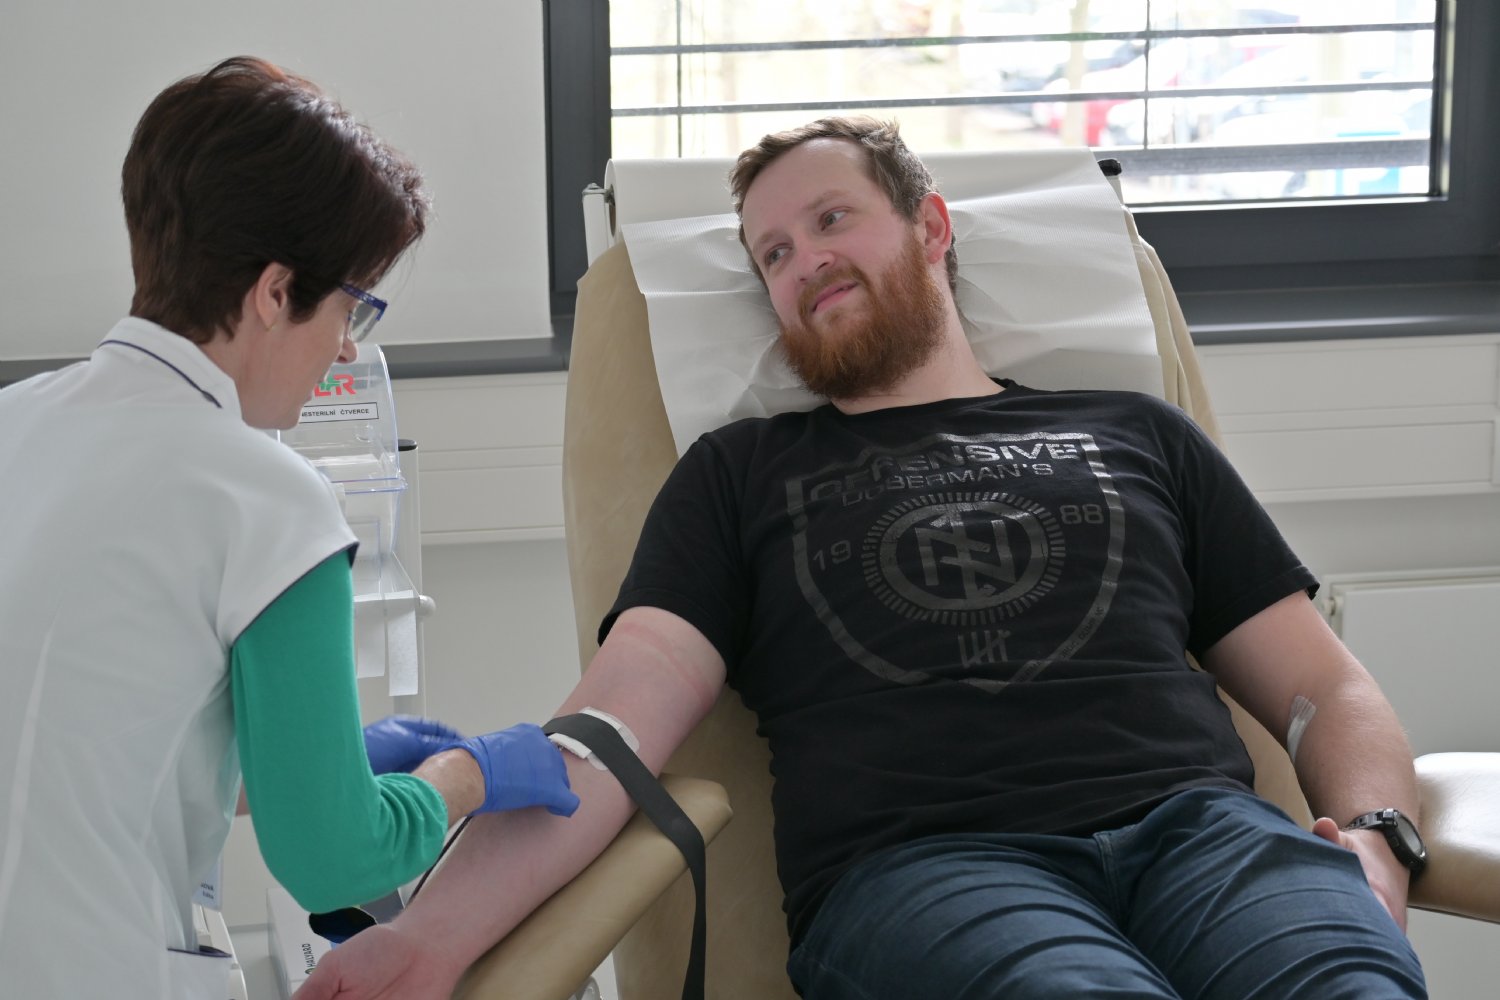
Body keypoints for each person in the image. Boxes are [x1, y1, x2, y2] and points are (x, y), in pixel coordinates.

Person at [297, 117, 1427, 999]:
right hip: (928, 872)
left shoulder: (1136, 433)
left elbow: (1324, 686)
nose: (804, 262)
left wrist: (1381, 838)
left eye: (832, 219)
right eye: (773, 253)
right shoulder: (740, 476)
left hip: (1208, 838)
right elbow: (607, 733)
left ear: (931, 226)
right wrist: (427, 939)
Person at [0, 57, 577, 999]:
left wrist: (318, 766)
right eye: (351, 307)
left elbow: (85, 750)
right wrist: (466, 775)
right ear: (275, 293)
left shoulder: (15, 423)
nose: (347, 348)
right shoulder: (267, 497)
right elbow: (335, 859)